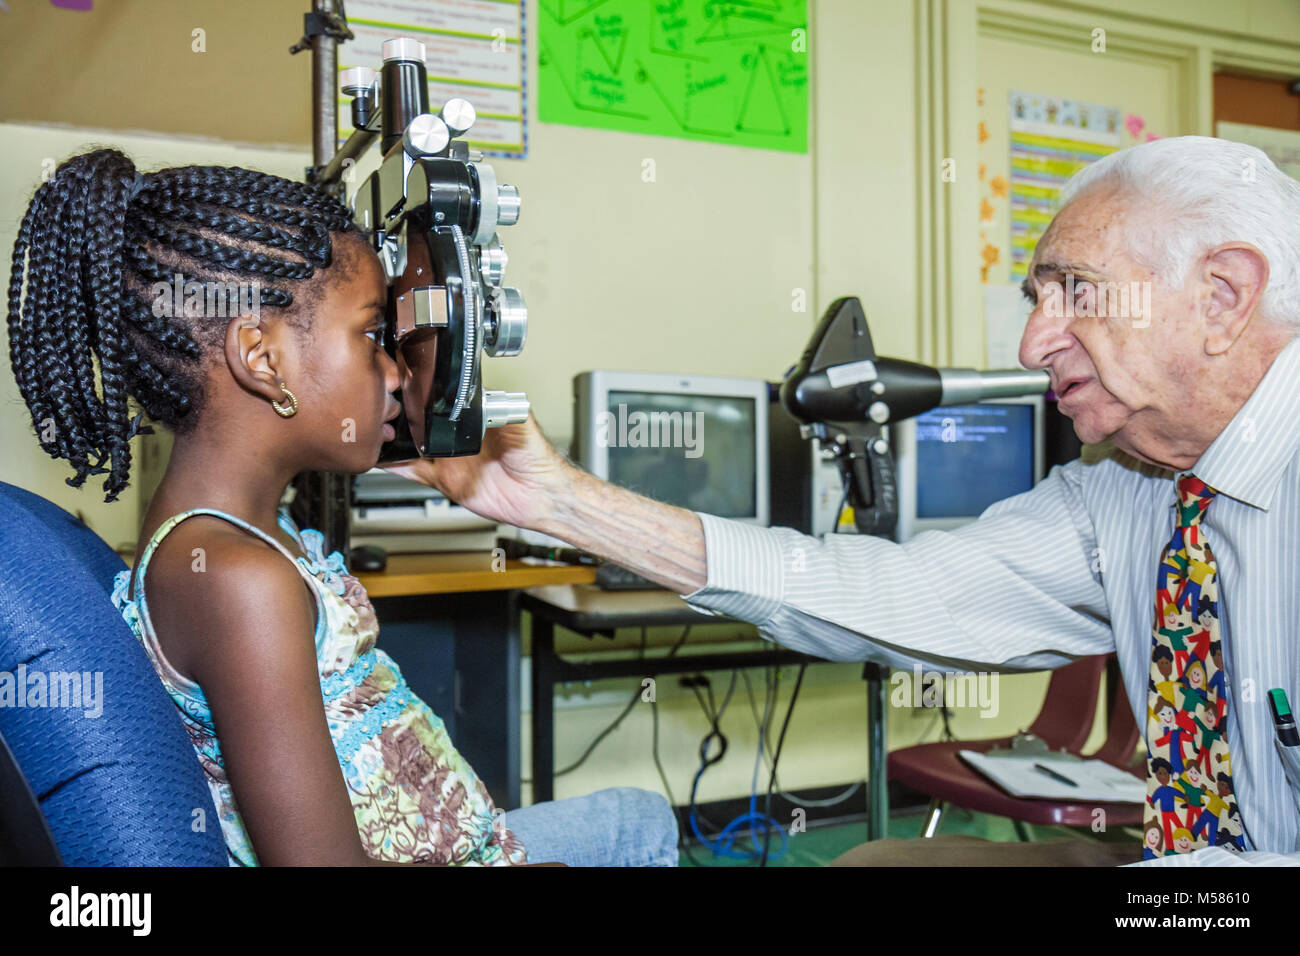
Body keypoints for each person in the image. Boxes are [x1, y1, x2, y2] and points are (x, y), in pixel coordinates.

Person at [386, 136, 1300, 866]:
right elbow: (888, 592)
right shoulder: (1127, 498)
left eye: (1073, 293)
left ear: (1223, 297)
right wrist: (562, 505)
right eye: (1034, 297)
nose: (1032, 343)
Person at [6, 149, 678, 867]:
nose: (393, 373)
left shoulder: (246, 538)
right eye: (368, 335)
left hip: (463, 844)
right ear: (262, 360)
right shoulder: (237, 579)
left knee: (638, 817)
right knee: (639, 834)